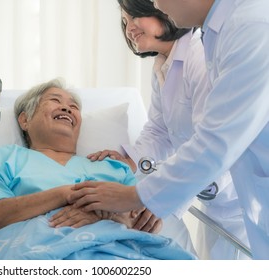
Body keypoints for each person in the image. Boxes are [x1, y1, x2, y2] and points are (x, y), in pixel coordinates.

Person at [70, 0, 269, 260]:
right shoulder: (187, 52)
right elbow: (159, 131)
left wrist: (141, 197)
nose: (156, 3)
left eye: (135, 16)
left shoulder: (242, 29)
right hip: (228, 199)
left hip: (229, 194)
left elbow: (214, 140)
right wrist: (131, 162)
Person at [0, 79, 195, 260]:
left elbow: (147, 222)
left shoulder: (111, 168)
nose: (67, 108)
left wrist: (103, 216)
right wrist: (64, 194)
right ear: (25, 120)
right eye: (55, 101)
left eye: (74, 106)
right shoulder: (5, 158)